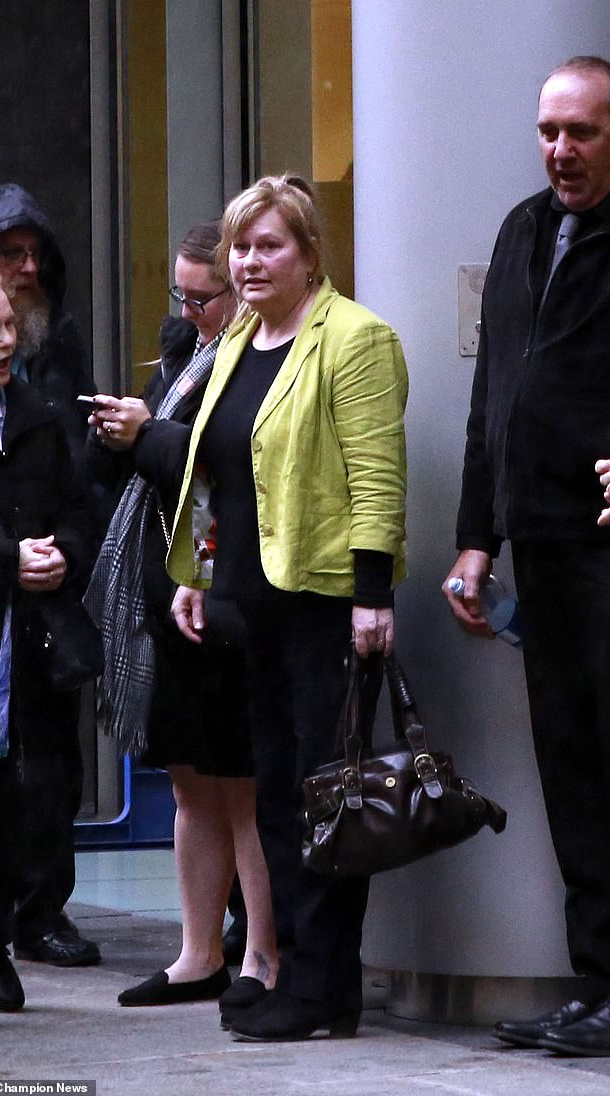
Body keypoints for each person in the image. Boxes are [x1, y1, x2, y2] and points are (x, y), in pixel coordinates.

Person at [167, 175, 408, 1041]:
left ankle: (324, 990)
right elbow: (217, 470)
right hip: (251, 609)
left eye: (269, 245)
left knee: (327, 798)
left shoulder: (355, 338)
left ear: (310, 254)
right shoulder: (239, 337)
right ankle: (290, 971)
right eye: (241, 245)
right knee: (274, 794)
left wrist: (373, 597)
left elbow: (377, 477)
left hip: (327, 605)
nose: (249, 260)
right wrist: (196, 573)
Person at [443, 56, 610, 1058]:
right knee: (574, 774)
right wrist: (476, 536)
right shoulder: (519, 229)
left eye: (581, 133)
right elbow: (491, 398)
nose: (560, 151)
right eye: (549, 132)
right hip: (541, 550)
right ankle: (597, 984)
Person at [83, 220, 279, 1008]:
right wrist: (122, 437)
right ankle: (198, 952)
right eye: (183, 296)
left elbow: (223, 468)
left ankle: (261, 953)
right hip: (175, 587)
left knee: (244, 786)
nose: (193, 312)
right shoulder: (186, 353)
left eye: (206, 298)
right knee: (192, 780)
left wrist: (149, 434)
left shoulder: (267, 357)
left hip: (235, 588)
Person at [0, 183, 100, 970]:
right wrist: (4, 562)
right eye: (7, 256)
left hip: (39, 622)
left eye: (35, 256)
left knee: (47, 770)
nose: (27, 271)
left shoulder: (45, 390)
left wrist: (64, 556)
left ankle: (31, 914)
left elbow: (79, 496)